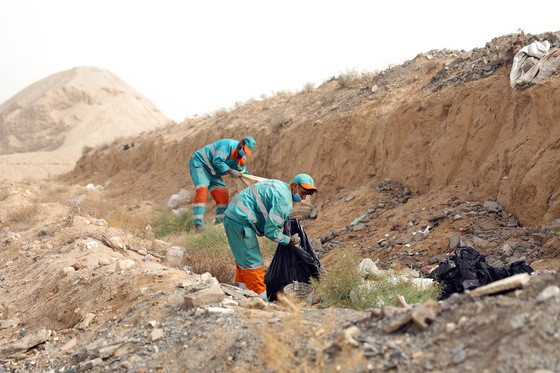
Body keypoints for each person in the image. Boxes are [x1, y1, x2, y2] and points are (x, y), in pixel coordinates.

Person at [223, 173, 318, 299]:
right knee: (254, 267)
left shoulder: (280, 186)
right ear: (295, 185)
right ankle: (262, 306)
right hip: (240, 222)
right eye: (302, 192)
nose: (303, 197)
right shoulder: (284, 201)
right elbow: (270, 232)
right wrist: (290, 240)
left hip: (233, 217)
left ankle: (239, 298)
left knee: (244, 266)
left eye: (306, 194)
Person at [189, 136, 256, 231]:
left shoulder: (241, 158)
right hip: (200, 163)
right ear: (241, 143)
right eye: (244, 150)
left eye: (246, 152)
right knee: (202, 188)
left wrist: (249, 182)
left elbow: (244, 172)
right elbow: (217, 160)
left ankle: (219, 221)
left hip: (213, 172)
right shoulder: (228, 145)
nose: (244, 152)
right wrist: (231, 171)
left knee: (223, 192)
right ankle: (198, 225)